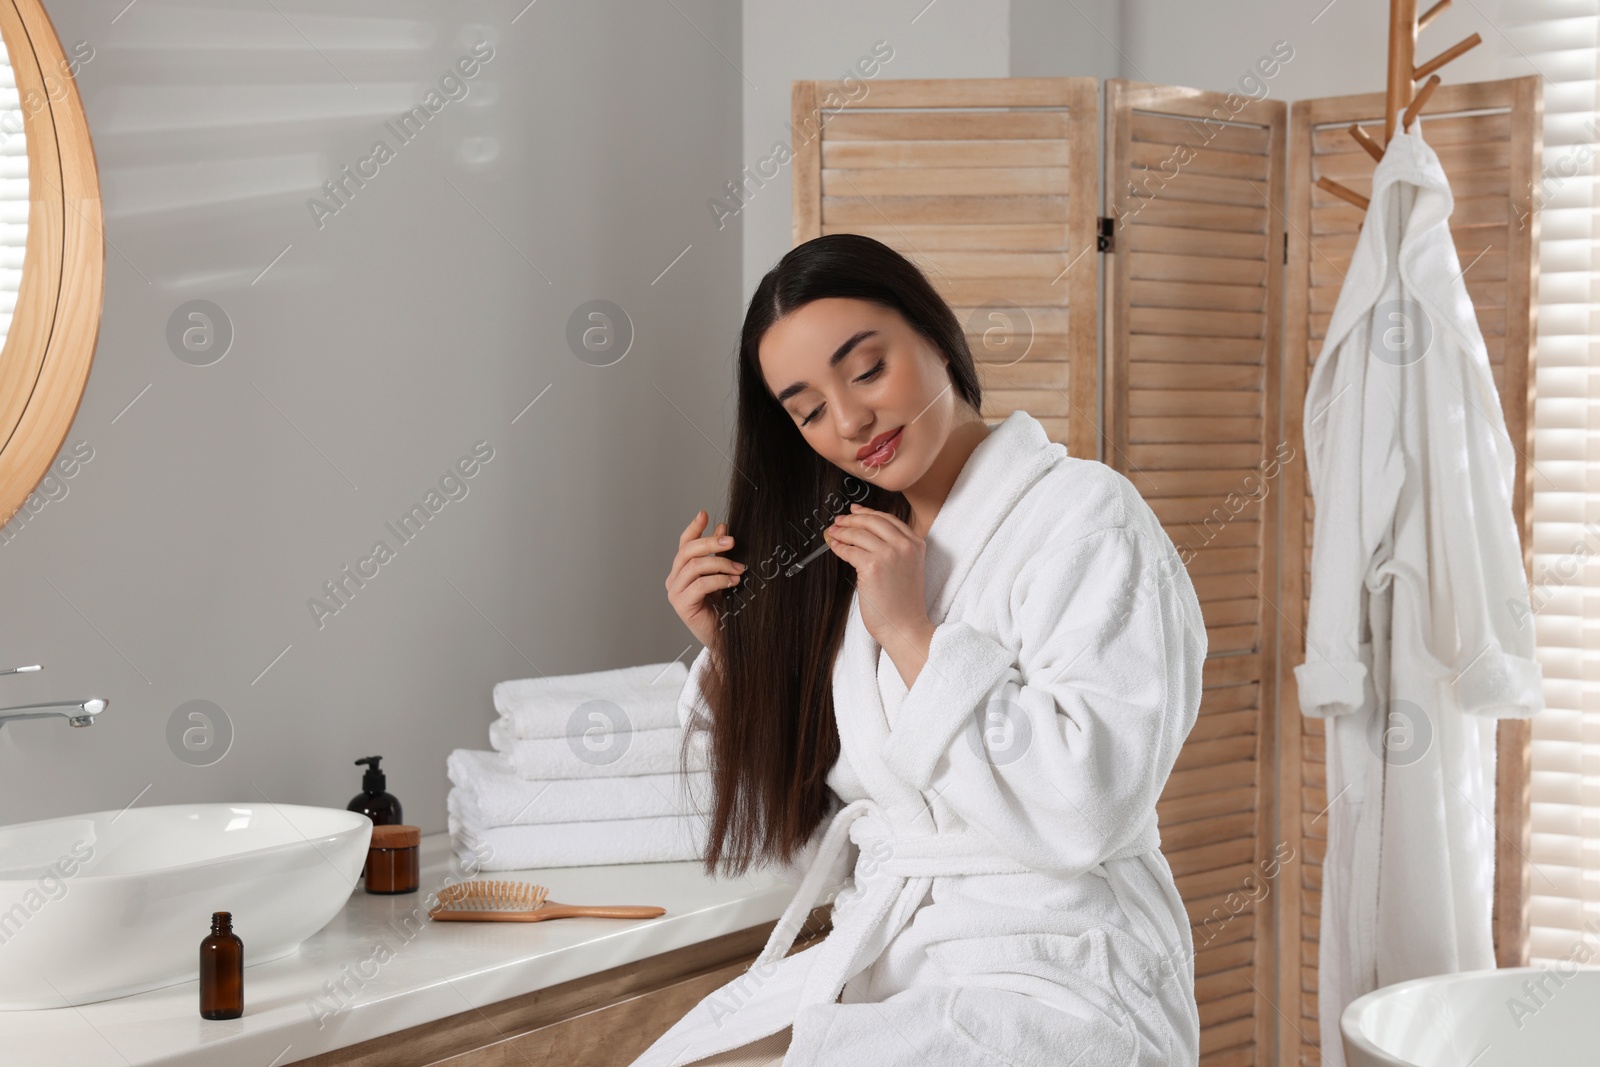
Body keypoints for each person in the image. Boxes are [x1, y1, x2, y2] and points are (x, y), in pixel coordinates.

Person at [645, 233, 1206, 1066]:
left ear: (937, 336)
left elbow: (1089, 806)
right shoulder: (862, 555)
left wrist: (914, 636)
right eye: (807, 409)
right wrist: (733, 655)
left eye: (867, 370)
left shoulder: (1089, 518)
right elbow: (821, 833)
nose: (849, 421)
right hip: (905, 960)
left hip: (1059, 969)